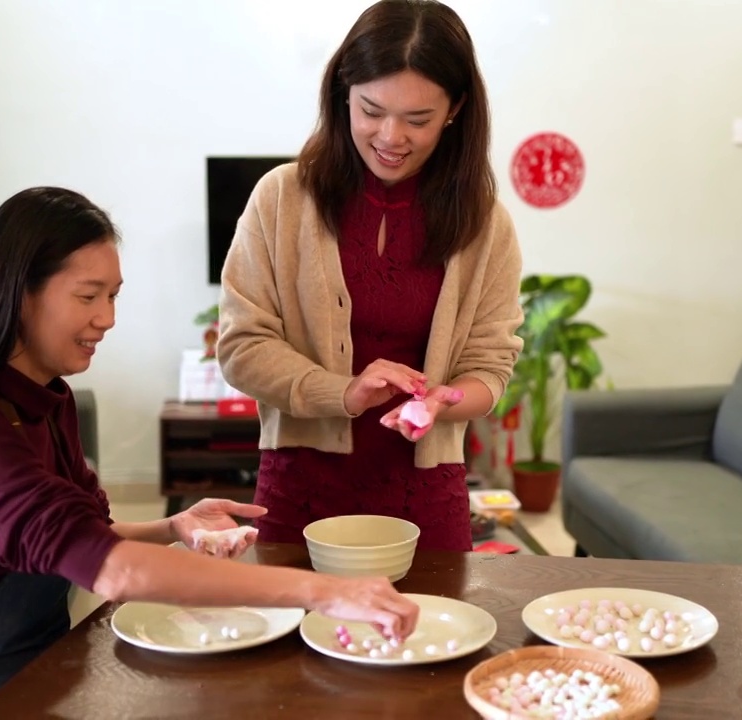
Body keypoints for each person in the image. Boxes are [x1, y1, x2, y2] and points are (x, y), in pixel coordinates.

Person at [0, 187, 419, 719]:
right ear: (20, 293)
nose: (107, 319)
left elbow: (78, 538)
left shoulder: (46, 398)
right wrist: (323, 593)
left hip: (32, 672)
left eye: (113, 296)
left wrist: (173, 525)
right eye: (88, 296)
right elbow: (112, 572)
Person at [216, 0, 524, 553]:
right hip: (300, 490)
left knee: (433, 636)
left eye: (418, 119)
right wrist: (345, 392)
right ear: (342, 95)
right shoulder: (281, 200)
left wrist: (442, 401)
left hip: (425, 494)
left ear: (455, 109)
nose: (390, 136)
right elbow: (242, 347)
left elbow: (490, 366)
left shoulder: (485, 223)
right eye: (371, 109)